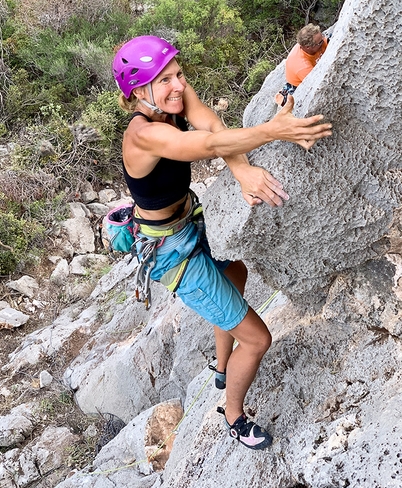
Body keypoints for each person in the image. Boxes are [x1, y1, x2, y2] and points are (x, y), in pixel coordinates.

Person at [113, 35, 332, 450]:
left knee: (236, 271)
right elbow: (207, 145)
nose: (178, 85)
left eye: (178, 74)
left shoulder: (173, 99)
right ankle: (233, 415)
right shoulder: (143, 135)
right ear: (140, 92)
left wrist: (243, 171)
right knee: (257, 338)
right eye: (165, 80)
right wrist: (274, 131)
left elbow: (213, 125)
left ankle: (221, 363)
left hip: (189, 223)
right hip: (170, 252)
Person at [276, 24, 329, 106]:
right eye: (320, 41)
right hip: (299, 84)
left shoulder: (319, 42)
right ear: (308, 47)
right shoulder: (302, 66)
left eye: (322, 36)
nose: (324, 39)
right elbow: (317, 85)